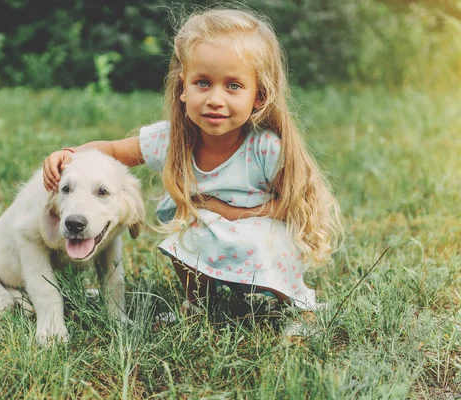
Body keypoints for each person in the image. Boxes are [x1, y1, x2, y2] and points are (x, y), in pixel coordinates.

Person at [43, 8, 342, 311]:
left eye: (233, 86)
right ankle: (198, 303)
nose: (215, 98)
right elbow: (113, 150)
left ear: (259, 96)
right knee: (184, 238)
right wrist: (71, 154)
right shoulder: (173, 141)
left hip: (263, 235)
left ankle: (298, 306)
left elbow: (294, 205)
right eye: (202, 83)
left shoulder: (265, 148)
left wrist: (224, 210)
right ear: (182, 86)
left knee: (268, 241)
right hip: (209, 236)